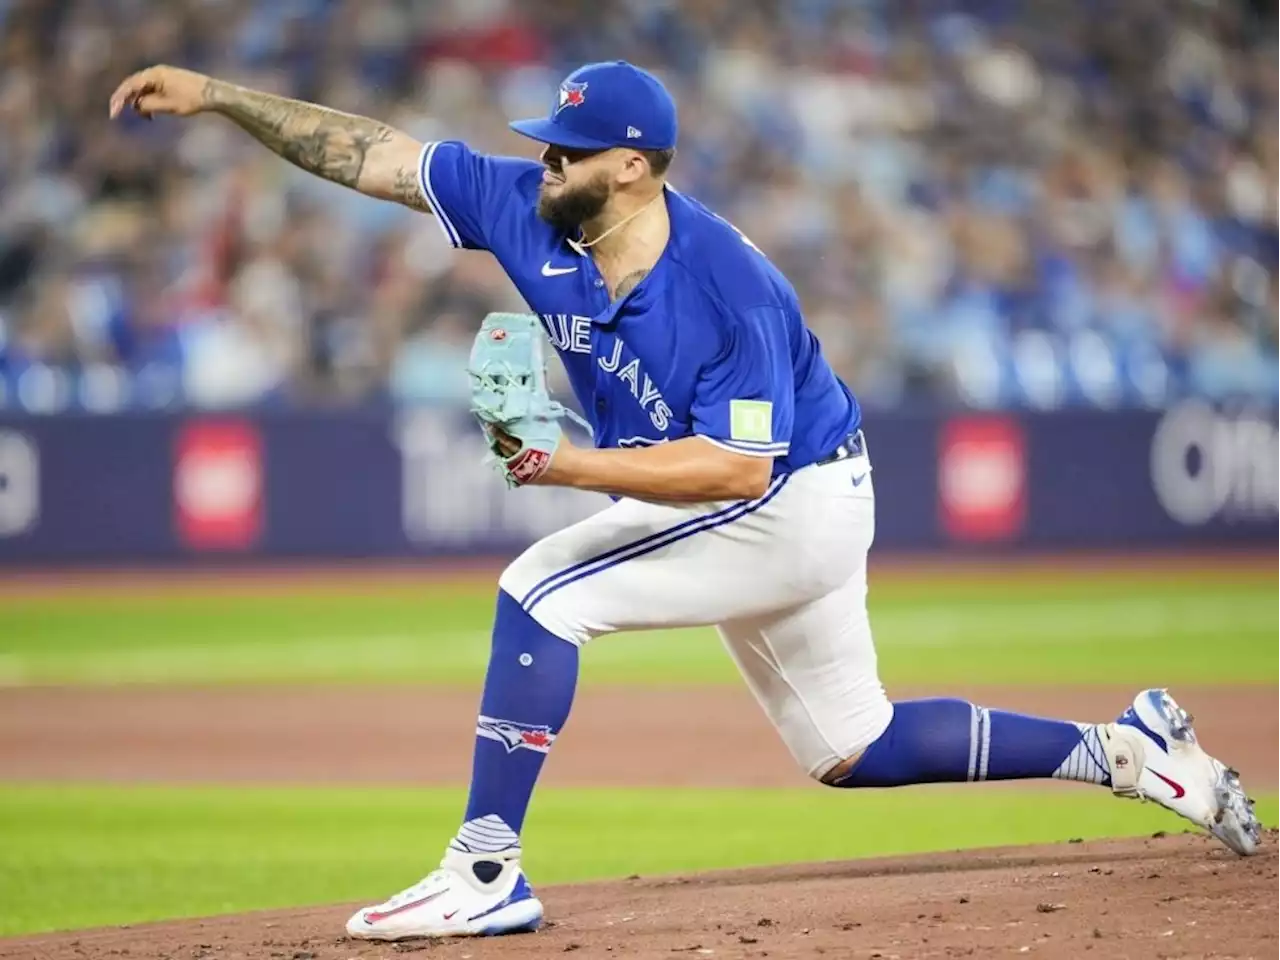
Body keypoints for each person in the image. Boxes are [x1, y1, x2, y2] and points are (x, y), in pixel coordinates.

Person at [109, 60, 1261, 942]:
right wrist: (217, 97)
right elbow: (372, 153)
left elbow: (733, 472)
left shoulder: (724, 287)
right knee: (848, 745)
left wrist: (561, 468)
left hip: (790, 498)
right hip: (774, 494)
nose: (540, 163)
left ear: (631, 166)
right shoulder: (531, 208)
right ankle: (1125, 751)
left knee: (540, 592)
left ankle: (481, 872)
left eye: (564, 151)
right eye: (544, 148)